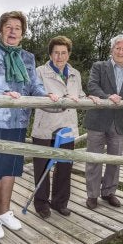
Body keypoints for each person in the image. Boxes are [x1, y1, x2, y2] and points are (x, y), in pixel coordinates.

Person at [0, 11, 59, 238]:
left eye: (17, 28)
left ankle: (4, 212)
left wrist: (46, 95)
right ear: (1, 30)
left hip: (18, 120)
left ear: (23, 34)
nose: (13, 31)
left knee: (10, 168)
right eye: (9, 27)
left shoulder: (28, 58)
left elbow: (34, 85)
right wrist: (2, 93)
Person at [31, 36, 98, 218]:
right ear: (50, 54)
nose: (59, 57)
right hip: (45, 126)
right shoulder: (39, 71)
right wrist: (51, 97)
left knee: (64, 166)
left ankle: (60, 203)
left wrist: (89, 98)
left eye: (63, 53)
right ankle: (41, 204)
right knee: (42, 167)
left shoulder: (75, 73)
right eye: (56, 53)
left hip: (67, 127)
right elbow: (35, 93)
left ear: (68, 54)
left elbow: (80, 96)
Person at [83, 34, 123, 209]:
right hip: (97, 120)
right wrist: (107, 96)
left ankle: (109, 192)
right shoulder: (99, 66)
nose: (120, 51)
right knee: (93, 159)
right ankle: (92, 195)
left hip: (120, 122)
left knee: (115, 160)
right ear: (112, 50)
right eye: (117, 48)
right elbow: (92, 86)